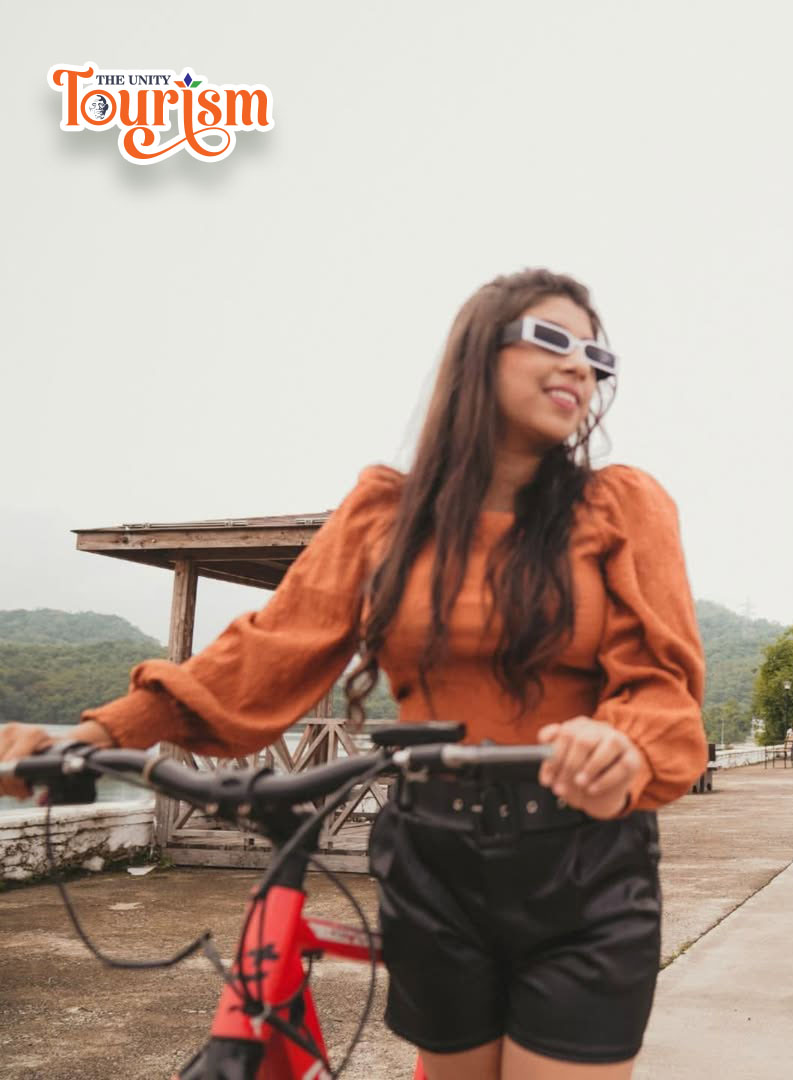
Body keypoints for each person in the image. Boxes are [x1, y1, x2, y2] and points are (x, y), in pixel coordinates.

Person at [0, 268, 707, 1079]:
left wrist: (622, 745)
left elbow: (661, 682)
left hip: (582, 860)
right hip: (435, 854)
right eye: (551, 338)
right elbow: (269, 648)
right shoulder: (385, 514)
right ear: (477, 355)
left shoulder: (621, 505)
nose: (580, 365)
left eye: (596, 354)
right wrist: (93, 737)